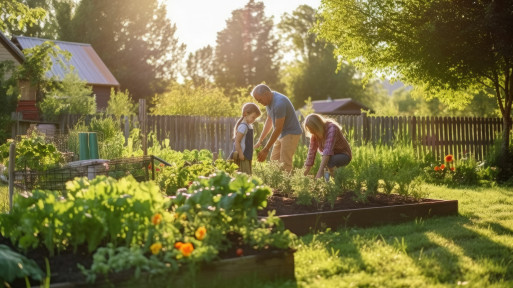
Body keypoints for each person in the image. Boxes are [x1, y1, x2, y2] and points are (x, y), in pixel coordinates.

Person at [252, 84, 303, 173]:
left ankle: (286, 186)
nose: (259, 103)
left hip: (291, 133)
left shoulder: (279, 103)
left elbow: (278, 128)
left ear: (266, 94)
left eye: (260, 100)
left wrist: (266, 149)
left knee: (285, 164)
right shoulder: (268, 102)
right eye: (257, 101)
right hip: (281, 133)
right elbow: (269, 120)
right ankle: (274, 185)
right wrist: (260, 140)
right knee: (274, 162)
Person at [303, 113, 352, 179]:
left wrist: (319, 173)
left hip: (344, 155)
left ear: (317, 126)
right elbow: (311, 154)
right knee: (326, 164)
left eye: (313, 130)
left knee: (327, 162)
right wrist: (302, 175)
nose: (312, 133)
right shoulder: (315, 134)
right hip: (330, 156)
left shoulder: (332, 128)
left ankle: (336, 181)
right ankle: (328, 182)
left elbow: (327, 151)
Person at [229, 103, 262, 174]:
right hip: (242, 156)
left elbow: (246, 143)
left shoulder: (249, 126)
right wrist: (240, 154)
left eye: (255, 118)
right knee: (243, 174)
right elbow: (237, 141)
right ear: (245, 114)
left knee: (247, 173)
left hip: (246, 156)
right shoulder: (243, 126)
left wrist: (254, 146)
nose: (254, 120)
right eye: (253, 117)